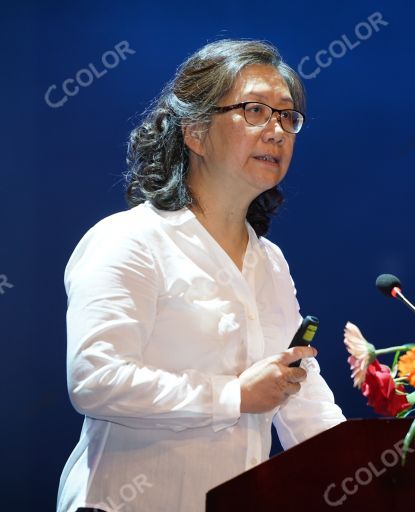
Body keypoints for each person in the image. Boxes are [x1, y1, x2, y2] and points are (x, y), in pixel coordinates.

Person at [56, 39, 346, 512]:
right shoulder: (130, 240)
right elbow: (96, 379)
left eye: (287, 116)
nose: (276, 130)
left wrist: (378, 466)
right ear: (194, 131)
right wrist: (232, 396)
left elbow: (299, 393)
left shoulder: (270, 262)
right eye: (255, 110)